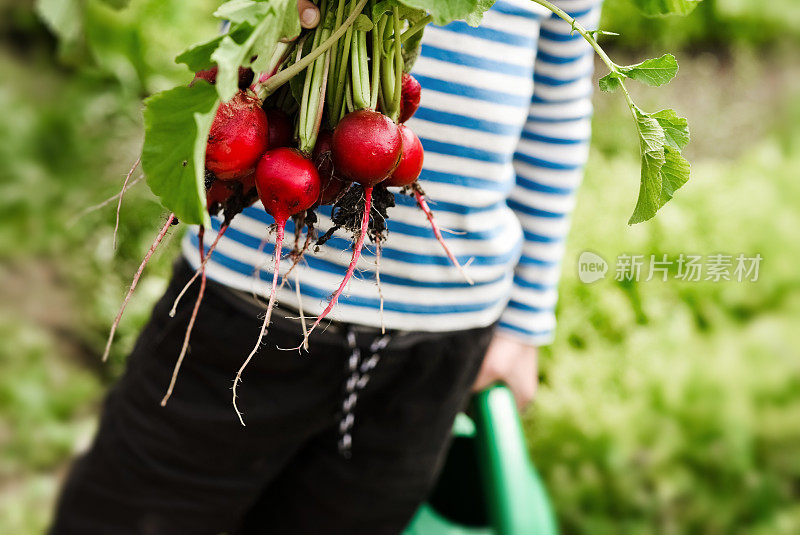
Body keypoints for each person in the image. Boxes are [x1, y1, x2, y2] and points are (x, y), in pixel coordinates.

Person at [50, 0, 601, 533]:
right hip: (242, 297)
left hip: (440, 333)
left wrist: (525, 319)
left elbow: (559, 113)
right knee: (129, 512)